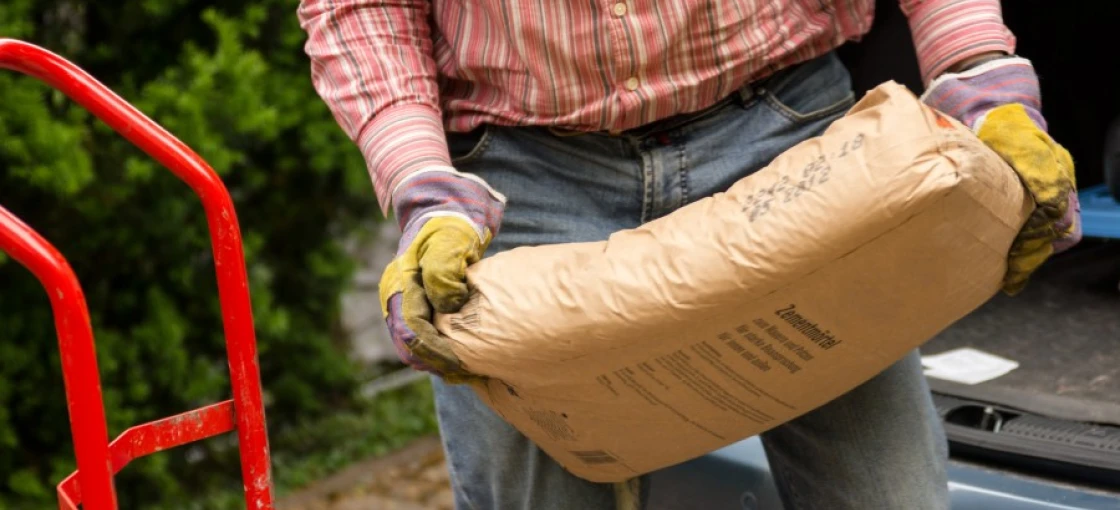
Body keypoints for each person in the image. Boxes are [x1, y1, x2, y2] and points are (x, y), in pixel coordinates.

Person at [297, 1, 1081, 508]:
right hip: (528, 173)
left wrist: (976, 73)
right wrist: (425, 188)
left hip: (783, 135)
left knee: (886, 496)